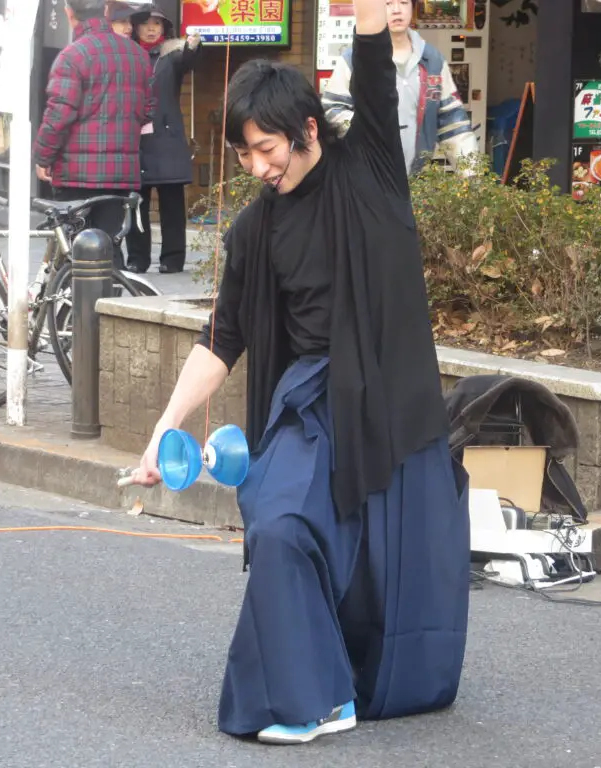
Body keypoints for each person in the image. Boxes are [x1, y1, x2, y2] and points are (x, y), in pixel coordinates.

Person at [124, 0, 471, 746]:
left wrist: (372, 15)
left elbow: (376, 68)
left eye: (266, 148)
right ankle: (315, 697)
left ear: (308, 129)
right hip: (310, 400)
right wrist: (164, 427)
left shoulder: (372, 168)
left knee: (384, 565)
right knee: (278, 525)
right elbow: (224, 337)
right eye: (245, 153)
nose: (258, 166)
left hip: (388, 397)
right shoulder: (255, 226)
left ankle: (332, 691)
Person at [34, 0, 156, 270]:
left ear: (69, 13)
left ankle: (79, 311)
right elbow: (148, 111)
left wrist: (43, 157)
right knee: (109, 247)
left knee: (74, 251)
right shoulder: (137, 55)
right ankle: (112, 308)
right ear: (105, 11)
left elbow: (58, 116)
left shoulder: (72, 56)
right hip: (122, 174)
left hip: (77, 175)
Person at [321, 0, 478, 176]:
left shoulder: (432, 60)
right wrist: (369, 135)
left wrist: (472, 176)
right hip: (366, 177)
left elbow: (452, 122)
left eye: (403, 2)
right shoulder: (355, 59)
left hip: (417, 181)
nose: (397, 10)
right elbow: (332, 109)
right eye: (388, 3)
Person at [124, 5, 201, 274]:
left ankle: (172, 258)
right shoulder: (127, 54)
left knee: (171, 203)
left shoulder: (172, 53)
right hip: (135, 139)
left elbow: (188, 60)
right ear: (135, 27)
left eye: (157, 23)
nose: (151, 28)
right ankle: (137, 258)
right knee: (135, 204)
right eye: (145, 23)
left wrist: (193, 46)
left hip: (167, 138)